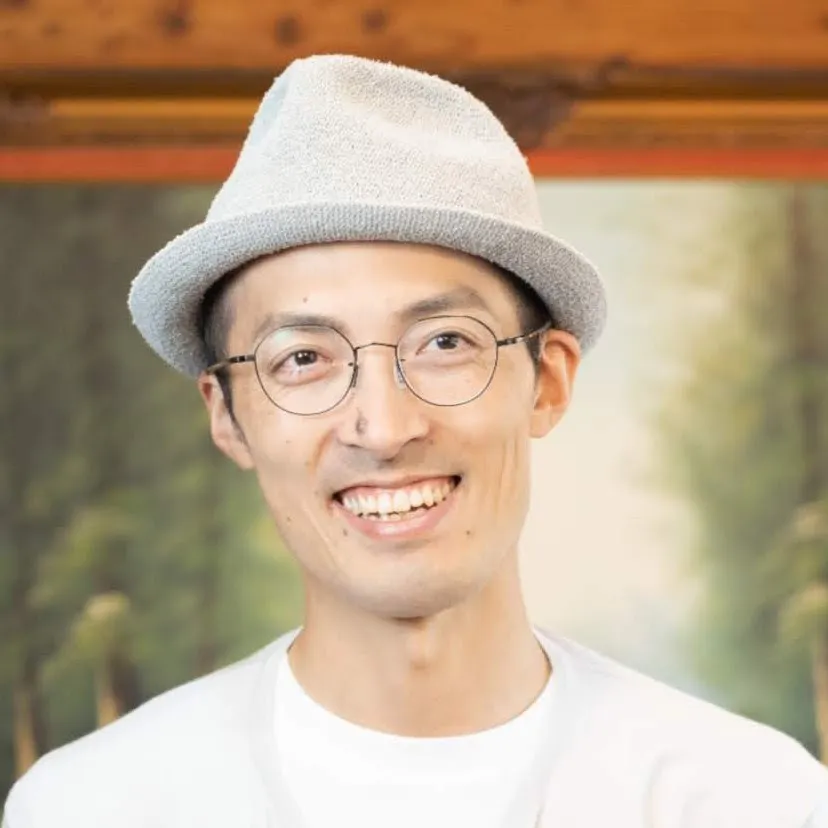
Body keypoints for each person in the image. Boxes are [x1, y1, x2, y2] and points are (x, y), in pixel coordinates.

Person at [3, 54, 828, 828]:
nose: (386, 427)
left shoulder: (750, 799)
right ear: (226, 414)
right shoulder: (93, 807)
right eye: (303, 359)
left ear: (548, 380)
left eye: (444, 343)